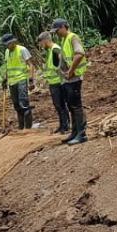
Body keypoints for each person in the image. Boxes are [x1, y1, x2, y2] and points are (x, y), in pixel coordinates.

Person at [52, 18, 89, 146]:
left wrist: (71, 71)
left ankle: (81, 134)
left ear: (63, 26)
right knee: (71, 106)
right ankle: (75, 132)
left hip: (74, 78)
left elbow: (79, 54)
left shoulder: (72, 37)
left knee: (76, 106)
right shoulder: (64, 40)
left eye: (57, 30)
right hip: (68, 79)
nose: (56, 33)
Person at [37, 27, 71, 134]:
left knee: (61, 105)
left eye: (41, 43)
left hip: (59, 82)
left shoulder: (55, 49)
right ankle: (62, 125)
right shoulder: (50, 51)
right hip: (53, 83)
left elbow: (63, 65)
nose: (41, 46)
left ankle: (65, 126)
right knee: (58, 105)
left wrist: (63, 78)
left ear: (45, 40)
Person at [1, 33, 37, 129]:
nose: (7, 46)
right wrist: (5, 79)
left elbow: (31, 65)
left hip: (21, 79)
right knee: (16, 105)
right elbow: (8, 67)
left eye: (8, 44)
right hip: (12, 82)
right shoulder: (7, 52)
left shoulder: (22, 50)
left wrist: (31, 80)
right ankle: (21, 127)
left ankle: (28, 127)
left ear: (13, 42)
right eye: (6, 45)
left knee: (23, 103)